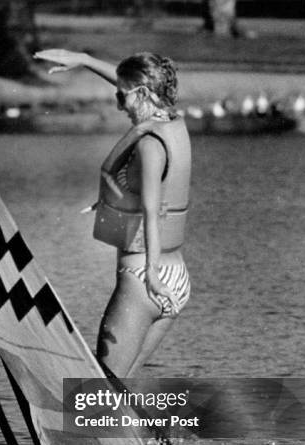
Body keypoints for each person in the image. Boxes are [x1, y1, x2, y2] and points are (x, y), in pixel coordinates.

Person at [34, 49, 191, 379]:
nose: (119, 106)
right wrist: (85, 60)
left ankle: (76, 431)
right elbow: (137, 84)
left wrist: (150, 273)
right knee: (119, 390)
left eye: (122, 98)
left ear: (144, 94)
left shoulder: (149, 146)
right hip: (176, 280)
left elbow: (151, 210)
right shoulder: (172, 123)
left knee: (99, 392)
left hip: (144, 280)